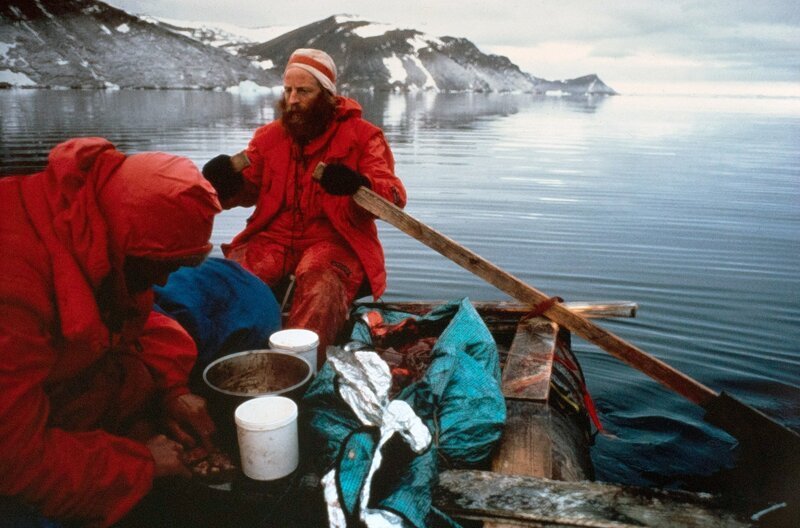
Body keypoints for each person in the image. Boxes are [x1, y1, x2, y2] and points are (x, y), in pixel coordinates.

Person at [0, 137, 223, 527]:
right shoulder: (14, 284)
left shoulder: (95, 227)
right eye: (158, 265)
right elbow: (14, 457)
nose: (162, 279)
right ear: (127, 245)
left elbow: (136, 324)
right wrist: (141, 464)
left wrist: (173, 391)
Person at [202, 48, 407, 365]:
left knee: (320, 282)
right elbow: (249, 188)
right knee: (231, 280)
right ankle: (226, 362)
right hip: (273, 239)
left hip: (332, 242)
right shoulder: (269, 138)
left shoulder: (364, 137)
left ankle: (296, 371)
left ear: (327, 95)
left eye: (303, 91)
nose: (293, 99)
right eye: (288, 90)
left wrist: (360, 184)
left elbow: (394, 196)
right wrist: (224, 182)